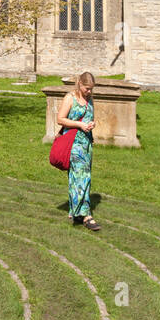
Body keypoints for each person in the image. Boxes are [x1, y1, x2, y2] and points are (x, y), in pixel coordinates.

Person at [56, 71, 99, 231]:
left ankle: (75, 211)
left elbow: (90, 117)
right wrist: (80, 125)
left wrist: (91, 125)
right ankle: (86, 215)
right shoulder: (70, 98)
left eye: (91, 89)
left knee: (79, 177)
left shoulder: (90, 99)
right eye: (87, 88)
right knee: (82, 177)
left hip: (86, 143)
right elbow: (60, 119)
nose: (89, 91)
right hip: (73, 143)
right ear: (80, 84)